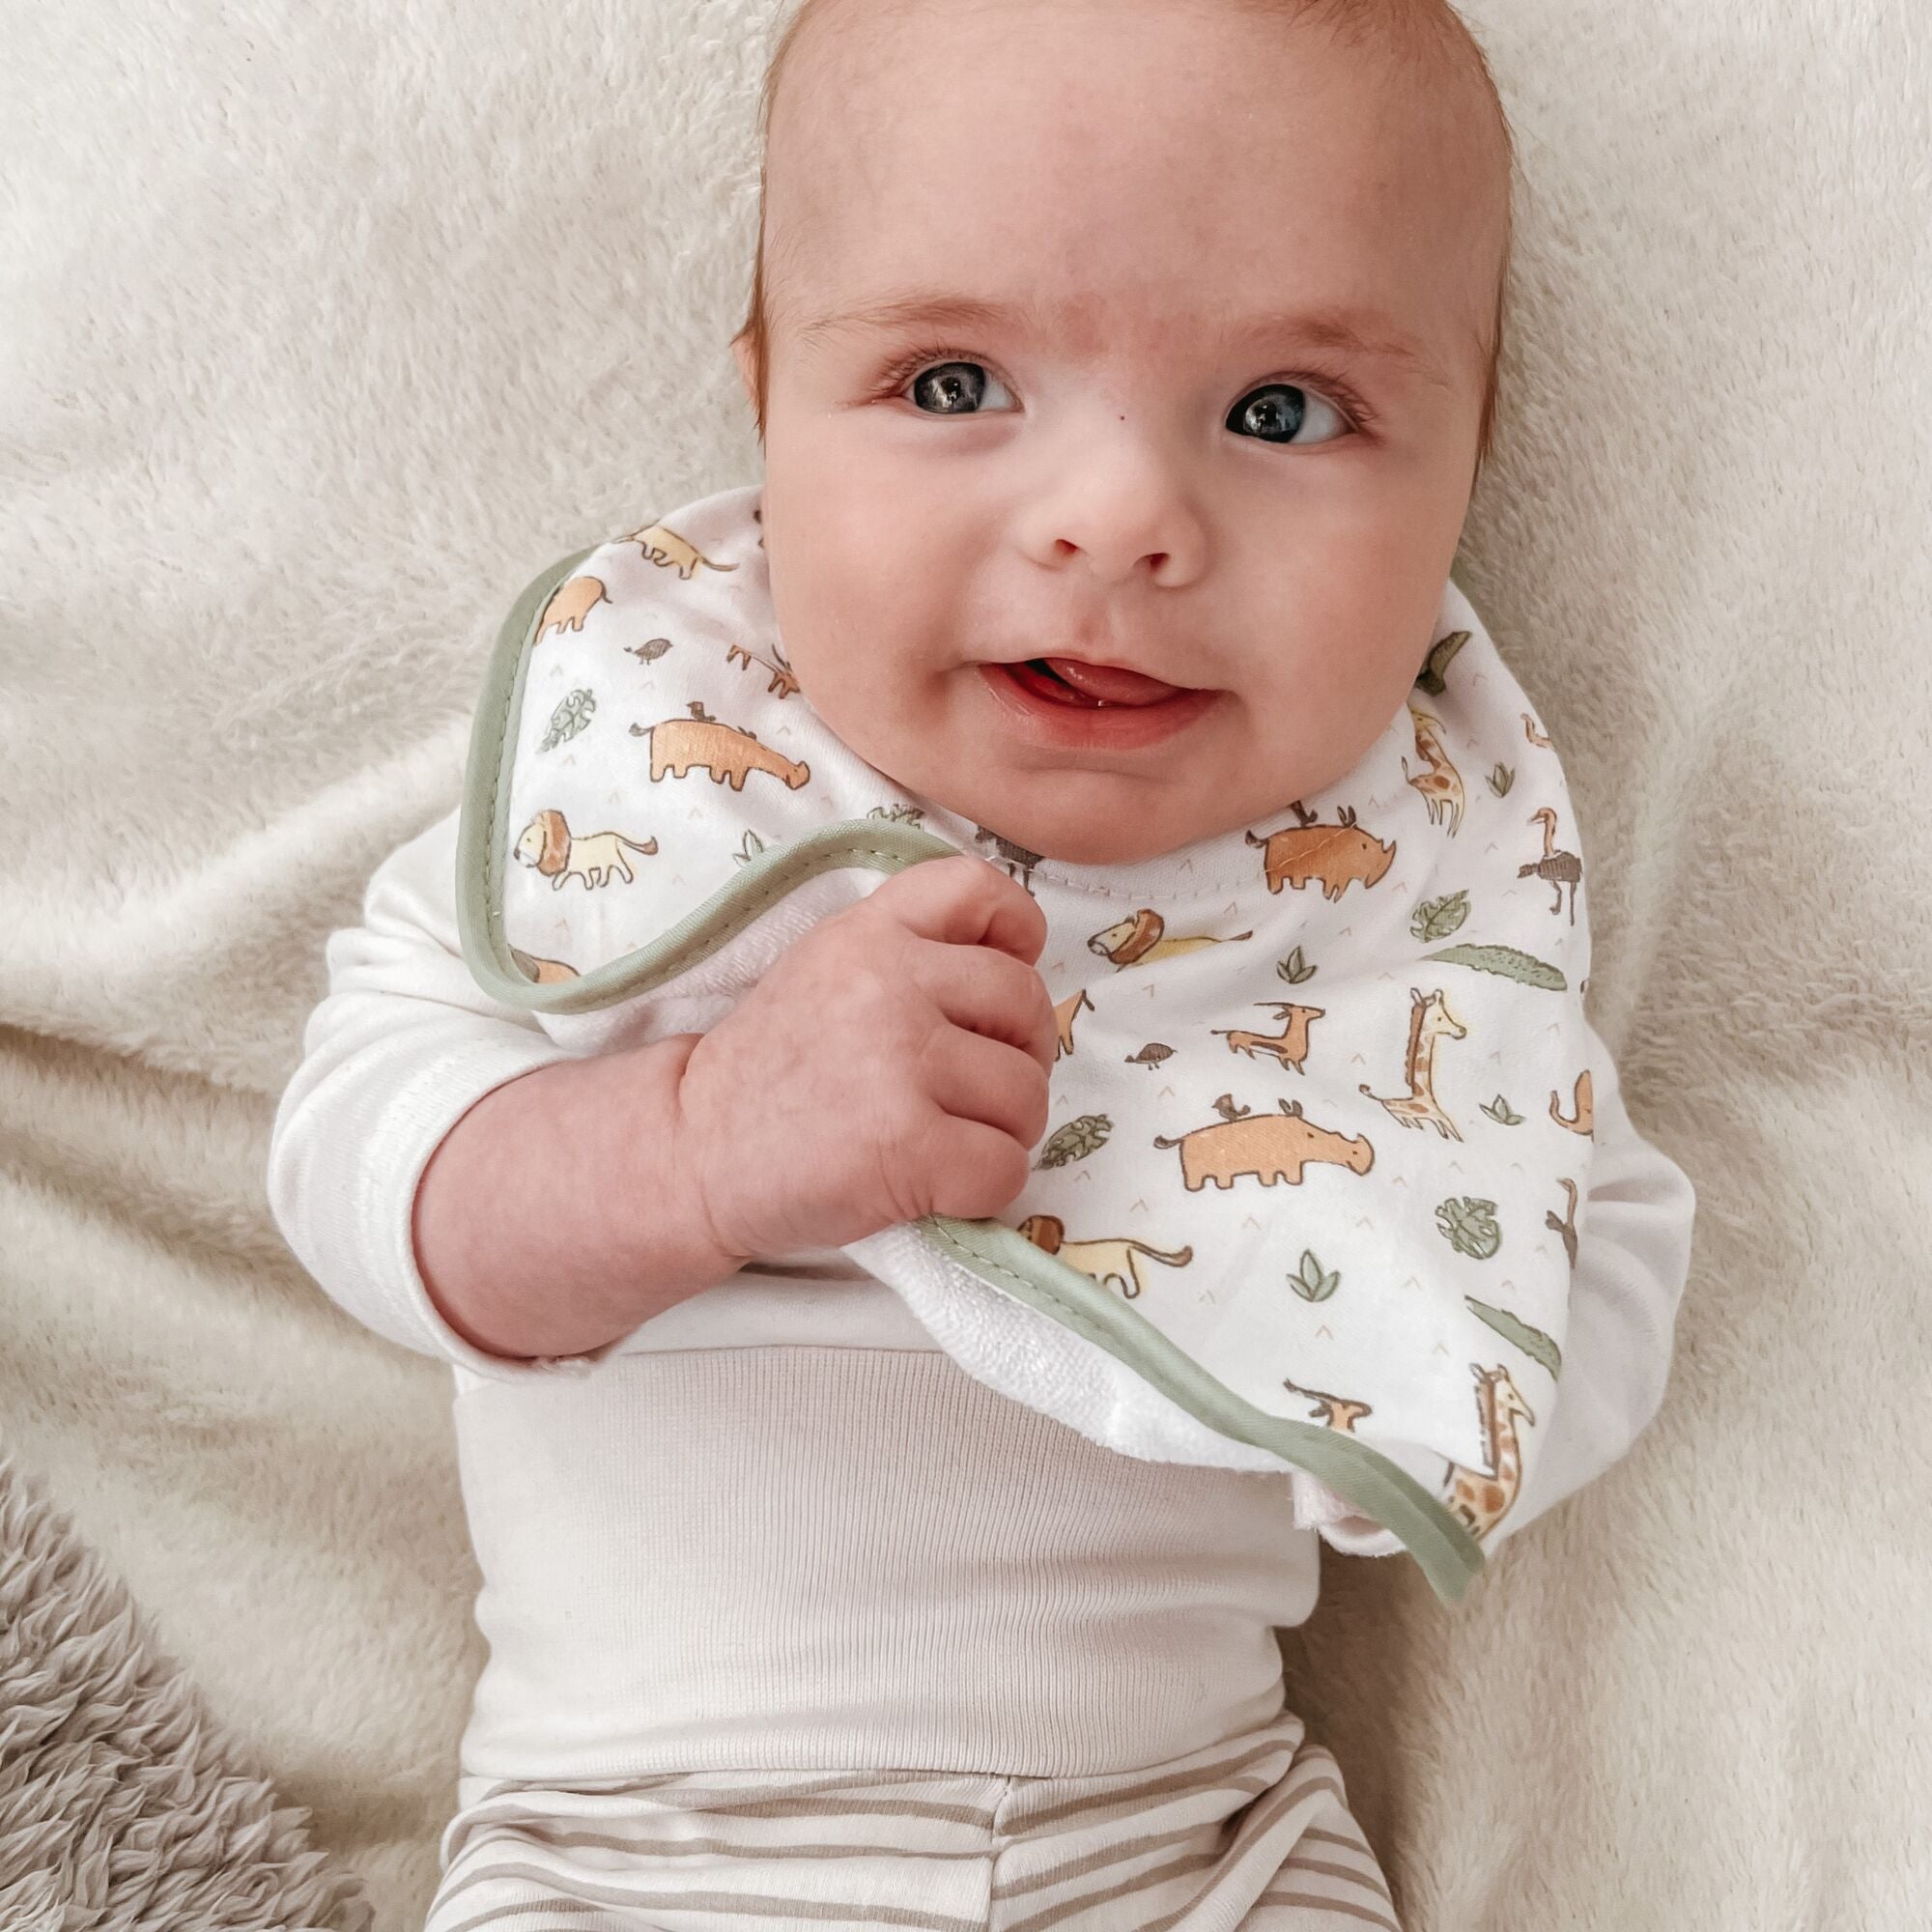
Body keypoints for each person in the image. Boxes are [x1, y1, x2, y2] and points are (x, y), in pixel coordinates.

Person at [266, 1, 1697, 1924]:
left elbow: (1583, 1239)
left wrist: (1398, 1364)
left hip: (1199, 1834)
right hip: (643, 1848)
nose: (1115, 519)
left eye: (1280, 410)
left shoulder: (1390, 904)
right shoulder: (650, 793)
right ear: (768, 401)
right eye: (954, 383)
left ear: (1462, 466)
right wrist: (691, 1140)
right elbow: (357, 1169)